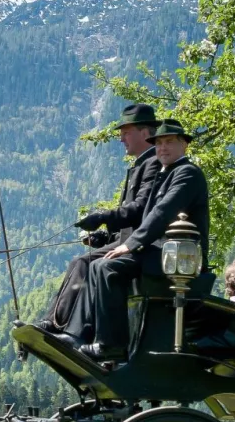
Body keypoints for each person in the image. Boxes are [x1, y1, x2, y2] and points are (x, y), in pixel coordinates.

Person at [63, 118, 209, 360]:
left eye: (169, 142)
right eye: (159, 143)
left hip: (177, 259)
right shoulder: (166, 174)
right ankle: (82, 334)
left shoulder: (188, 174)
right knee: (97, 264)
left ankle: (112, 345)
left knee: (108, 267)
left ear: (184, 144)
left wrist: (129, 245)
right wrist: (108, 237)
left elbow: (162, 213)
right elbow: (143, 216)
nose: (162, 148)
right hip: (157, 252)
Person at [40, 103, 162, 335]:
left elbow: (139, 209)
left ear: (145, 133)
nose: (121, 139)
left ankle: (62, 327)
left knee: (83, 264)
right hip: (127, 241)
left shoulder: (153, 163)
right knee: (81, 262)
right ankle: (59, 324)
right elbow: (134, 218)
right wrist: (106, 236)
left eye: (126, 132)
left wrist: (101, 217)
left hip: (140, 245)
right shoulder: (142, 164)